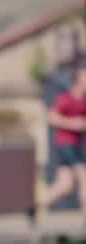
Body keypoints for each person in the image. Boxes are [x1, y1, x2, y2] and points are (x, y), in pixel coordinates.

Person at [43, 65, 86, 212]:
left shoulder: (83, 101)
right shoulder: (66, 99)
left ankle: (35, 206)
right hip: (66, 144)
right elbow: (51, 117)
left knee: (65, 185)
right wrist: (73, 124)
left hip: (76, 145)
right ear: (79, 80)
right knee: (84, 177)